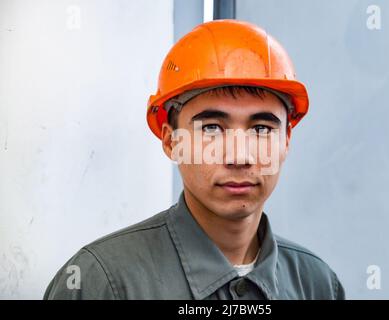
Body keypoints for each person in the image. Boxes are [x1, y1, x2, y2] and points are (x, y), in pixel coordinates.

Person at [44, 19, 345, 300]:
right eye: (211, 128)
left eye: (261, 129)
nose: (240, 156)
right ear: (170, 141)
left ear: (286, 142)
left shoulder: (316, 284)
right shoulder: (102, 282)